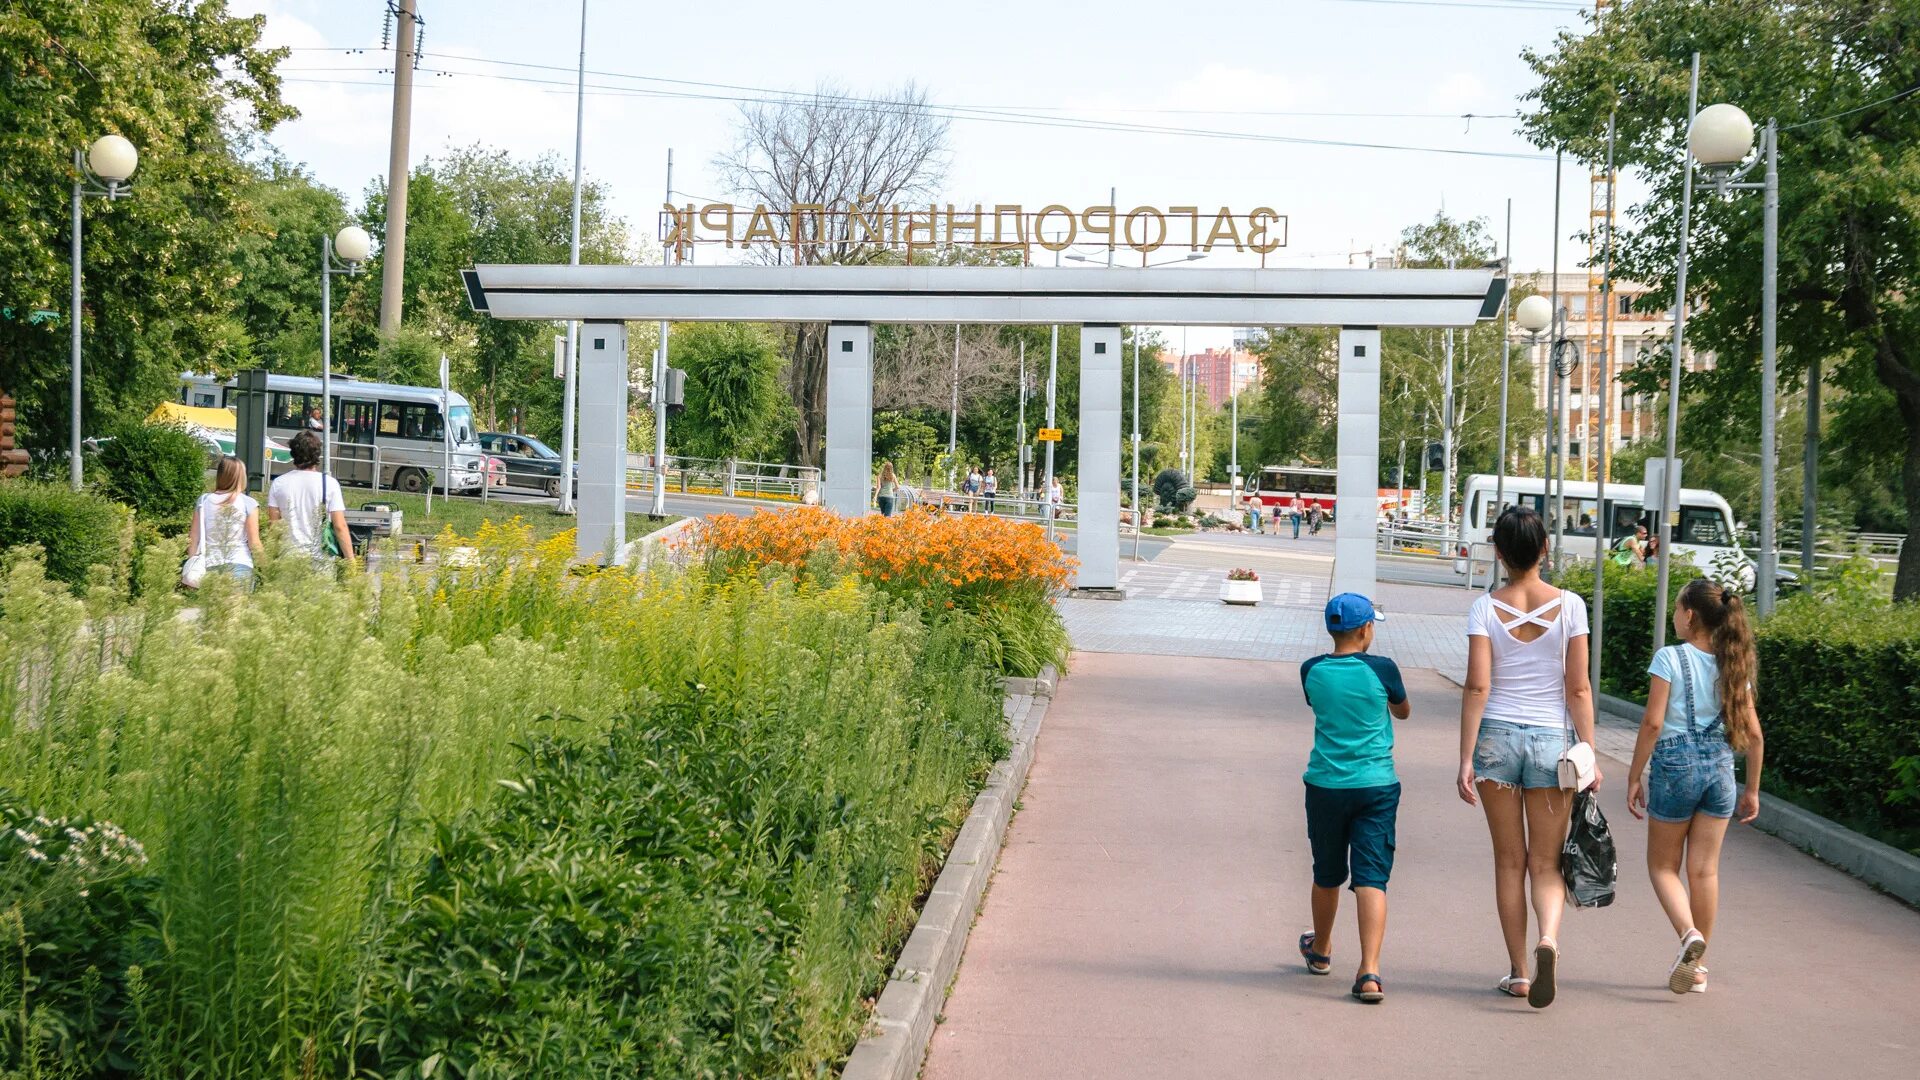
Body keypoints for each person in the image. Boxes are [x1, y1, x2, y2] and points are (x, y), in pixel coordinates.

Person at [1457, 504, 1598, 1009]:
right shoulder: (1572, 606)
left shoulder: (1484, 608)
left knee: (1508, 861)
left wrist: (1466, 758)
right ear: (1544, 549)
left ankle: (1518, 971)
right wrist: (1591, 753)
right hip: (1551, 744)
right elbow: (1577, 688)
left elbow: (1477, 685)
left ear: (1497, 552)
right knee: (1545, 862)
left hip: (1496, 738)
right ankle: (1549, 940)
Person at [1626, 577, 1765, 995]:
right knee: (1704, 870)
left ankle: (1688, 935)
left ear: (1689, 616)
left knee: (1662, 867)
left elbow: (1652, 723)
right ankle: (1699, 968)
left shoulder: (1669, 658)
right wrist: (1752, 790)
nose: (1673, 615)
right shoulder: (1733, 664)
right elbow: (1755, 737)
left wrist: (1635, 775)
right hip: (1720, 772)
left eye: (1675, 608)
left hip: (1675, 768)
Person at [1297, 593, 1409, 1005]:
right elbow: (1403, 711)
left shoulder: (1311, 670)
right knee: (1371, 876)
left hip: (1325, 784)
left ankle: (1321, 951)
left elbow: (1319, 704)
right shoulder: (1383, 669)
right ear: (1366, 630)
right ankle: (1370, 971)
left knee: (1327, 872)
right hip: (1376, 786)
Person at [268, 429, 355, 566]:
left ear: (293, 454)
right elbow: (340, 526)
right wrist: (351, 561)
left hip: (288, 558)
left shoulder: (278, 483)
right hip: (320, 559)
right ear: (317, 454)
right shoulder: (329, 484)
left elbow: (274, 526)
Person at [187, 455, 263, 585]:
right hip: (240, 564)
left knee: (212, 605)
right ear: (240, 477)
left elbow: (193, 538)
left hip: (209, 565)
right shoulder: (248, 504)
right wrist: (267, 567)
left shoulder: (203, 501)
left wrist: (192, 566)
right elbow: (254, 543)